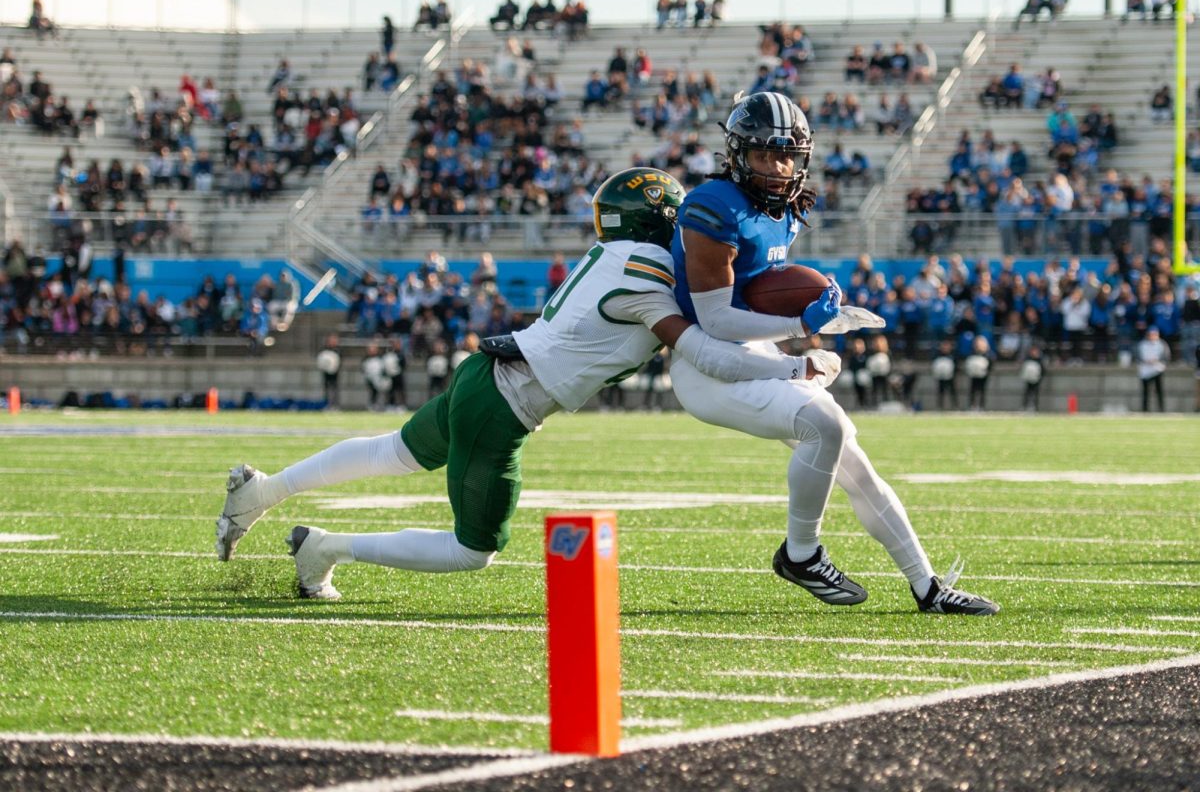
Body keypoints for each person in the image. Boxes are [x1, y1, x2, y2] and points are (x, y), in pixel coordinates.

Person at [214, 168, 825, 598]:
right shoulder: (652, 278)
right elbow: (703, 349)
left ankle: (260, 494)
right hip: (503, 406)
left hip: (485, 373)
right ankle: (324, 548)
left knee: (391, 452)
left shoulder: (613, 256)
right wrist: (792, 363)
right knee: (471, 551)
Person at [668, 90, 998, 615]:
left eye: (787, 155)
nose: (778, 167)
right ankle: (801, 553)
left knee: (854, 463)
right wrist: (799, 326)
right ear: (737, 155)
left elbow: (758, 291)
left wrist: (825, 318)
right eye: (764, 154)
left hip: (748, 344)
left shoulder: (786, 209)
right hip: (704, 360)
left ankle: (927, 586)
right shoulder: (713, 206)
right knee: (827, 424)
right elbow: (715, 318)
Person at [1136, 326, 1169, 412]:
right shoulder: (1142, 344)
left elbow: (1166, 357)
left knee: (1159, 391)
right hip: (1145, 371)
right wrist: (1146, 361)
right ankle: (1145, 410)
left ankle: (1161, 410)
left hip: (1157, 370)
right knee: (1145, 392)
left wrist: (1157, 361)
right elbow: (1138, 356)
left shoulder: (1162, 344)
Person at [316, 333, 341, 409]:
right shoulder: (324, 350)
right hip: (326, 373)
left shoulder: (337, 350)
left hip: (335, 373)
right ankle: (327, 404)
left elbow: (339, 361)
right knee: (326, 389)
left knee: (334, 388)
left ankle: (335, 405)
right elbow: (321, 360)